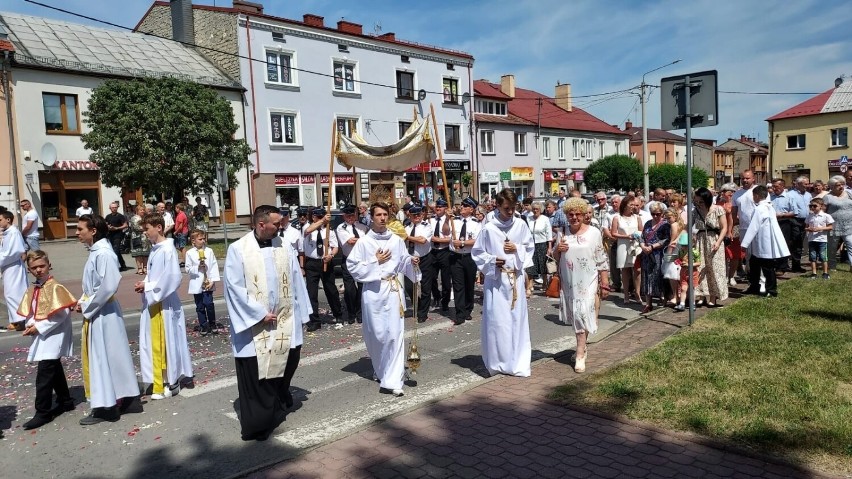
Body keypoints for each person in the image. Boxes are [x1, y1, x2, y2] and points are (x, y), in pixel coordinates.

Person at [224, 205, 311, 441]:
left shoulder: (283, 245)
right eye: (276, 223)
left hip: (284, 321)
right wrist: (258, 314)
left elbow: (295, 280)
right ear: (261, 224)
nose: (280, 227)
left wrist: (303, 314)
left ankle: (279, 402)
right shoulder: (239, 249)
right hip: (255, 325)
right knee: (257, 373)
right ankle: (258, 425)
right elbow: (234, 287)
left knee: (288, 360)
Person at [346, 202, 420, 397]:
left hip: (393, 289)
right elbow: (352, 267)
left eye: (385, 214)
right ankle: (381, 370)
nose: (382, 218)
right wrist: (374, 261)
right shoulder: (363, 243)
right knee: (377, 335)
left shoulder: (396, 240)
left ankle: (393, 380)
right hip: (373, 292)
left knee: (394, 335)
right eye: (378, 214)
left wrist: (411, 261)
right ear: (371, 217)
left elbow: (403, 261)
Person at [75, 214, 140, 425]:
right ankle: (127, 399)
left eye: (80, 228)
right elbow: (94, 286)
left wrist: (86, 305)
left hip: (103, 312)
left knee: (103, 358)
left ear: (93, 230)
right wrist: (83, 299)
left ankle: (107, 407)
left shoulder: (103, 253)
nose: (77, 232)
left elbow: (109, 285)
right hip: (101, 310)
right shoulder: (97, 251)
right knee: (112, 357)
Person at [472, 189, 534, 377]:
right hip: (496, 281)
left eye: (513, 208)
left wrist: (517, 248)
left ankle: (517, 362)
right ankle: (497, 362)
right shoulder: (489, 228)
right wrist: (492, 261)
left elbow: (529, 247)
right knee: (498, 322)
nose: (510, 212)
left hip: (515, 278)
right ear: (497, 206)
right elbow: (477, 252)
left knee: (516, 321)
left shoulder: (521, 225)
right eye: (506, 208)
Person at [17, 250, 77, 430]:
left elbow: (61, 314)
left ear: (49, 265)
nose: (39, 270)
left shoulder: (55, 287)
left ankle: (42, 412)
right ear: (29, 269)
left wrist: (39, 327)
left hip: (54, 334)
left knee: (45, 373)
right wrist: (30, 324)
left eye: (42, 266)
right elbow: (33, 310)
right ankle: (65, 400)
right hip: (43, 334)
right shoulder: (34, 288)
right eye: (34, 267)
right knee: (53, 367)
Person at [135, 214, 193, 400]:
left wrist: (149, 287)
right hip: (154, 302)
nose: (145, 232)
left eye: (147, 228)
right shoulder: (155, 249)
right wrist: (144, 282)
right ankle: (159, 377)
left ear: (159, 228)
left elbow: (173, 278)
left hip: (165, 304)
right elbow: (154, 275)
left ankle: (173, 381)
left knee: (169, 341)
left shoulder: (168, 250)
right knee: (154, 342)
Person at [553, 198, 610, 373]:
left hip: (588, 279)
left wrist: (605, 281)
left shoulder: (594, 232)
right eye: (571, 214)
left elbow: (601, 258)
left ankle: (579, 353)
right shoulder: (562, 232)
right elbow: (555, 257)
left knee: (582, 312)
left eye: (578, 214)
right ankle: (583, 346)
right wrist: (558, 249)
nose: (574, 218)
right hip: (570, 280)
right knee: (577, 314)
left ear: (584, 214)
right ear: (566, 215)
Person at [740, 186, 790, 298]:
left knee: (767, 268)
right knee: (754, 265)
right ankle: (754, 286)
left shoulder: (760, 209)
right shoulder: (769, 207)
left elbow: (754, 226)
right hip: (761, 242)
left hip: (763, 242)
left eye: (753, 195)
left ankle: (771, 290)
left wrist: (744, 244)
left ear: (757, 196)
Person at [302, 208, 343, 331]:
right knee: (311, 292)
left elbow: (335, 247)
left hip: (325, 262)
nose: (320, 219)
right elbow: (308, 231)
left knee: (331, 290)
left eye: (322, 217)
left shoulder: (329, 230)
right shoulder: (307, 228)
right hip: (312, 263)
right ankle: (315, 320)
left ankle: (338, 315)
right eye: (318, 217)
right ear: (313, 217)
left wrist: (330, 255)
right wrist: (322, 221)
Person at [693, 187, 729, 306]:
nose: (699, 204)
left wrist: (718, 242)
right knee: (700, 267)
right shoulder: (696, 211)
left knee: (714, 268)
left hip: (714, 239)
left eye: (701, 202)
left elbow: (724, 228)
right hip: (700, 239)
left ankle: (713, 297)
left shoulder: (718, 209)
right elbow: (688, 226)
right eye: (697, 202)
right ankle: (701, 294)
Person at [449, 197, 482, 325]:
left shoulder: (476, 223)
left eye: (465, 206)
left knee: (469, 285)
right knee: (458, 286)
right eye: (461, 205)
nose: (461, 207)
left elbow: (477, 241)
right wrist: (447, 219)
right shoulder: (454, 220)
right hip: (455, 257)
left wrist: (462, 242)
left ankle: (468, 308)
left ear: (471, 209)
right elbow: (446, 231)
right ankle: (460, 314)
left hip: (469, 257)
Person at [336, 205, 368, 325]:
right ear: (344, 215)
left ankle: (360, 313)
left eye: (352, 215)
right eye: (348, 215)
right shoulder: (341, 228)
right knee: (349, 289)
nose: (350, 217)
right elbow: (350, 241)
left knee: (362, 288)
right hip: (349, 260)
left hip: (362, 260)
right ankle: (351, 313)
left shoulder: (363, 227)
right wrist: (365, 241)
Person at [185, 229, 220, 335]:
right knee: (200, 306)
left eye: (204, 238)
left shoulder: (209, 251)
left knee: (209, 304)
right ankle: (203, 325)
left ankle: (212, 323)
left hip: (208, 282)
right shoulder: (189, 253)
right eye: (200, 239)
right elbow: (187, 269)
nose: (203, 241)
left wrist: (213, 280)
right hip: (197, 283)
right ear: (193, 241)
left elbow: (214, 266)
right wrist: (197, 267)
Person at [403, 205, 434, 323]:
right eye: (413, 215)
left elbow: (422, 240)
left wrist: (407, 237)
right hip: (410, 259)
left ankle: (423, 313)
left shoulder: (427, 226)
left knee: (426, 287)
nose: (416, 217)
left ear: (422, 215)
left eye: (418, 214)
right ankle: (419, 304)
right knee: (409, 285)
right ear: (409, 215)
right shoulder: (406, 227)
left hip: (424, 258)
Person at [638, 203, 671, 313]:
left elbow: (666, 239)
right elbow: (642, 237)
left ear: (662, 214)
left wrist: (653, 246)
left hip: (659, 254)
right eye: (653, 214)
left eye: (658, 214)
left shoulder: (665, 224)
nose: (655, 216)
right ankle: (648, 303)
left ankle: (663, 298)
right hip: (647, 254)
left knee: (659, 276)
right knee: (647, 277)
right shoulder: (647, 223)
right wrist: (643, 246)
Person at [610, 196, 642, 305]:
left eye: (634, 204)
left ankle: (637, 293)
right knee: (625, 270)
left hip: (635, 246)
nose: (633, 207)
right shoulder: (617, 218)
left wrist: (637, 236)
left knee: (637, 270)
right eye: (631, 204)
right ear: (625, 205)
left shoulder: (637, 217)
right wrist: (626, 236)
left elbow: (641, 231)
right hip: (623, 245)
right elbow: (613, 233)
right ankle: (626, 294)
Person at [0, 210, 28, 331]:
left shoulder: (14, 233)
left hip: (13, 266)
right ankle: (16, 320)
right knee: (10, 293)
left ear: (8, 219)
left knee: (13, 293)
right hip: (8, 266)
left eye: (0, 219)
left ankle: (20, 321)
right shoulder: (7, 233)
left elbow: (14, 252)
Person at [524, 201, 552, 298]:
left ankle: (544, 283)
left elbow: (549, 233)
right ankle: (530, 284)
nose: (535, 211)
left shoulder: (545, 219)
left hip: (542, 243)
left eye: (537, 209)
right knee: (531, 265)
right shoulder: (529, 218)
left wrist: (549, 247)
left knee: (543, 264)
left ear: (541, 210)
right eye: (534, 209)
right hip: (531, 245)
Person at [823, 175, 852, 270]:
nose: (841, 186)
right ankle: (832, 266)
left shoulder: (849, 194)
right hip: (834, 226)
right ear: (831, 186)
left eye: (842, 184)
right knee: (832, 247)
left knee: (851, 244)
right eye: (837, 185)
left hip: (849, 225)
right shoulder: (828, 197)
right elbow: (823, 212)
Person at [430, 198, 453, 313]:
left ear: (445, 208)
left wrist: (447, 219)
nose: (438, 209)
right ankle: (436, 297)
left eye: (441, 207)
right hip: (433, 251)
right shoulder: (431, 220)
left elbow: (447, 235)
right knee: (431, 277)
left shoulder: (450, 220)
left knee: (445, 279)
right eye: (437, 207)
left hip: (444, 252)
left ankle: (445, 302)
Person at [786, 176, 811, 273]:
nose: (807, 186)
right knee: (795, 242)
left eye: (808, 183)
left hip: (805, 221)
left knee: (800, 242)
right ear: (798, 184)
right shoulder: (790, 194)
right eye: (805, 184)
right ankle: (791, 264)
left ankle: (796, 265)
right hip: (794, 220)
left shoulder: (808, 195)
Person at [805, 197, 834, 279]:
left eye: (814, 206)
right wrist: (809, 229)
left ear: (821, 206)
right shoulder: (809, 216)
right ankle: (814, 273)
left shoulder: (826, 216)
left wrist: (820, 228)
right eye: (810, 206)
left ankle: (825, 273)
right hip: (812, 239)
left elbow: (830, 227)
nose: (812, 208)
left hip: (822, 239)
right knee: (812, 256)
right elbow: (805, 227)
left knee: (823, 257)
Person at [105, 201, 129, 272]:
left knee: (115, 250)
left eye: (115, 207)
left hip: (118, 235)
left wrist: (117, 228)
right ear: (110, 208)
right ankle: (123, 264)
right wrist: (108, 226)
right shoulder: (108, 216)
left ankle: (114, 267)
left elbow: (125, 225)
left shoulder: (120, 216)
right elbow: (106, 223)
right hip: (110, 235)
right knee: (115, 251)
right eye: (113, 207)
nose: (114, 209)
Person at [129, 205, 151, 275]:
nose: (142, 211)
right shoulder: (134, 218)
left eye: (143, 210)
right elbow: (137, 227)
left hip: (145, 238)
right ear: (137, 211)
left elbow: (148, 225)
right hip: (137, 237)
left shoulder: (145, 218)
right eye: (141, 210)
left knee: (145, 254)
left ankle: (145, 267)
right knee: (138, 254)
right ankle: (139, 268)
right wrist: (146, 228)